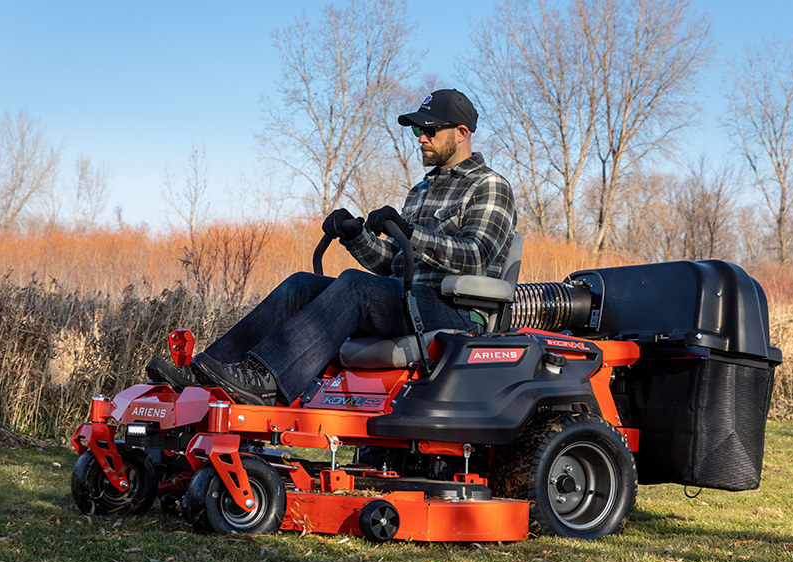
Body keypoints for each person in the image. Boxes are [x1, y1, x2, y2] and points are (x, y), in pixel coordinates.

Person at [146, 88, 517, 405]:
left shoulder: (489, 186)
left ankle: (265, 380)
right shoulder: (421, 191)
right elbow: (393, 266)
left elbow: (475, 255)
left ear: (462, 132)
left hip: (457, 314)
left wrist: (408, 231)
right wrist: (356, 236)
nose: (420, 136)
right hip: (408, 298)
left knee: (357, 286)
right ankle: (201, 375)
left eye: (430, 129)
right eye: (418, 129)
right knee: (301, 284)